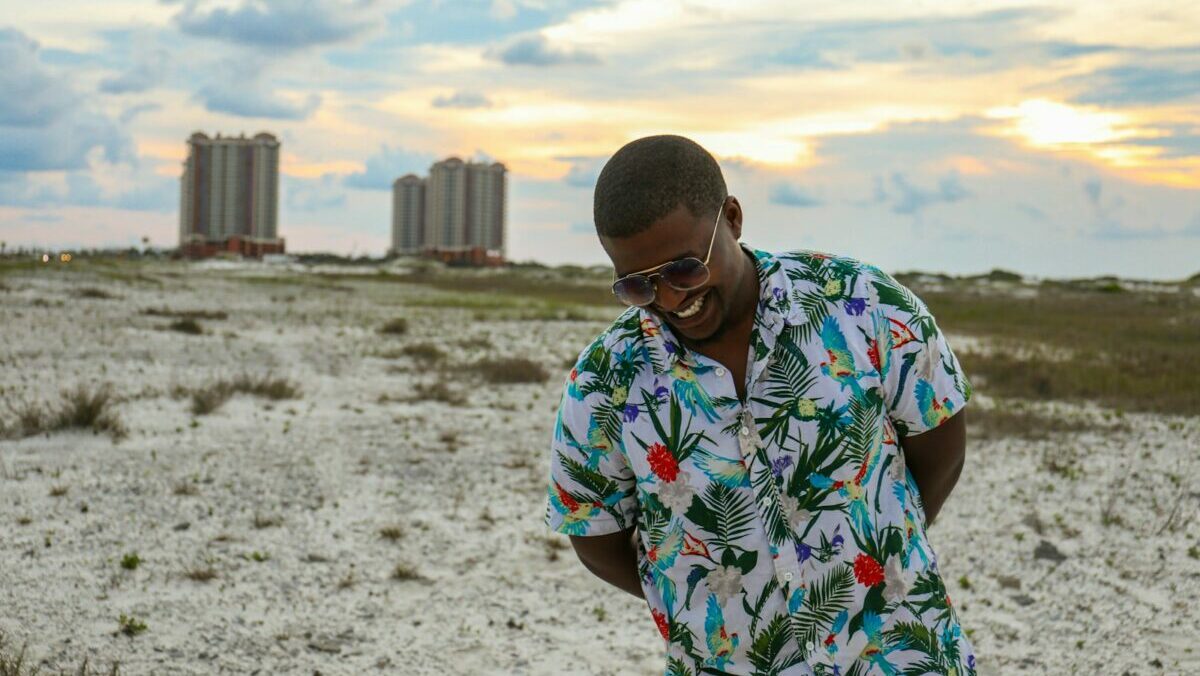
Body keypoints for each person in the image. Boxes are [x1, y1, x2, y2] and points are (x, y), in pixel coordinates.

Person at [544, 135, 975, 676]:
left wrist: (884, 551)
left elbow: (941, 445)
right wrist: (698, 609)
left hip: (903, 652)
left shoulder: (861, 303)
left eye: (684, 269)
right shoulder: (604, 381)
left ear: (732, 217)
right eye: (639, 286)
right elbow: (593, 531)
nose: (672, 299)